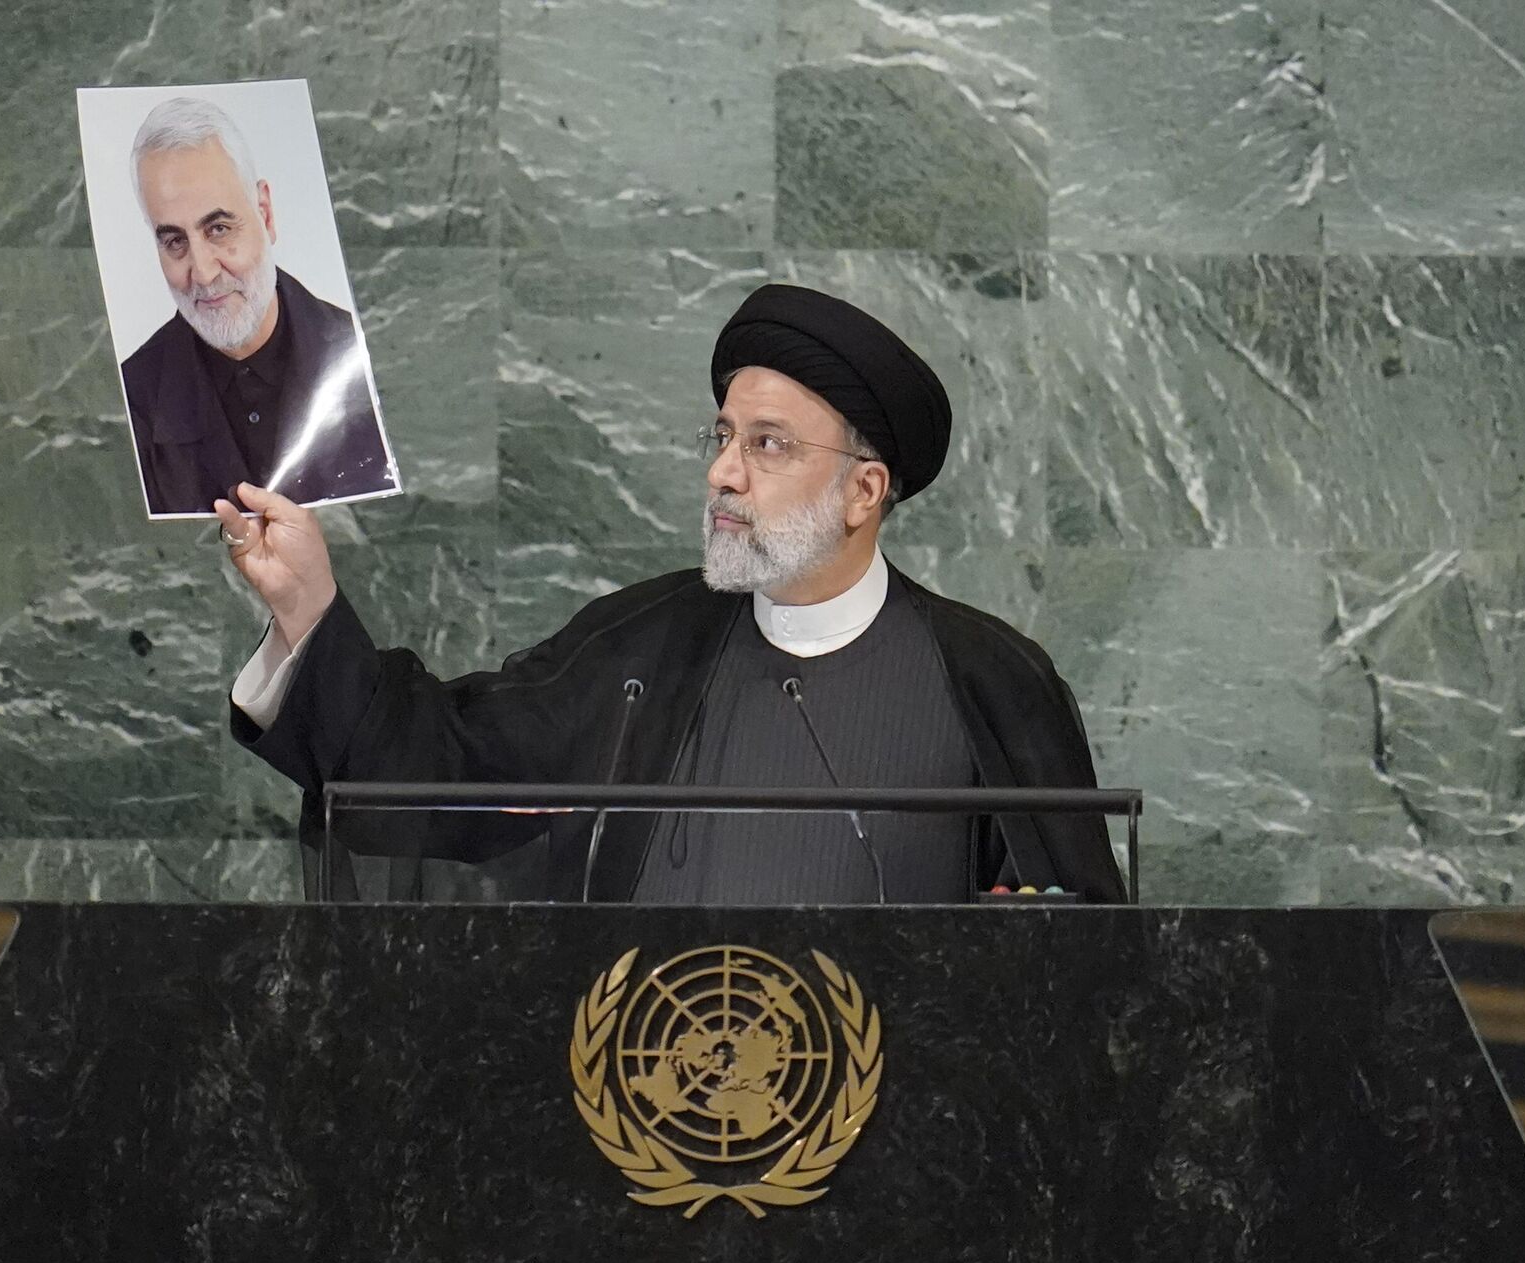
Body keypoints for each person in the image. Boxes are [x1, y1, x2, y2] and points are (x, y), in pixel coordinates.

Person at [221, 283, 1126, 904]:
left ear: (864, 491)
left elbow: (1063, 973)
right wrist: (308, 610)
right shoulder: (642, 647)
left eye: (769, 444)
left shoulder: (990, 680)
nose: (723, 473)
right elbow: (446, 768)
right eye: (724, 436)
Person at [120, 96, 396, 516]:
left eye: (219, 228)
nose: (204, 272)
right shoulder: (130, 402)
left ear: (265, 214)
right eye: (175, 241)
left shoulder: (371, 356)